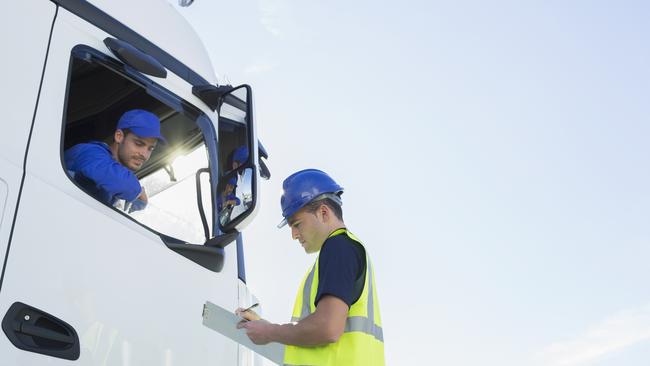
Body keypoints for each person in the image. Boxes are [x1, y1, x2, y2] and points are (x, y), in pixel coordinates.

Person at [237, 169, 385, 365]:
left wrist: (270, 332)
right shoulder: (344, 250)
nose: (294, 235)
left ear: (323, 213)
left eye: (297, 224)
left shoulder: (338, 247)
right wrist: (267, 329)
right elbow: (316, 338)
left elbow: (327, 327)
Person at [64, 109, 166, 211]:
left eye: (150, 148)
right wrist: (138, 192)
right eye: (139, 144)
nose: (144, 154)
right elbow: (121, 183)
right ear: (119, 136)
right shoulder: (89, 152)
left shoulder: (115, 184)